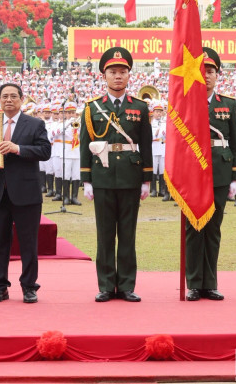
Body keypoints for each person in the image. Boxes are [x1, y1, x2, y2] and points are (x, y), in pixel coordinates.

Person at [79, 46, 152, 303]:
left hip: (131, 176)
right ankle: (106, 286)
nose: (118, 76)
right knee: (105, 235)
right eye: (113, 72)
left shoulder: (140, 108)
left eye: (122, 71)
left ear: (129, 75)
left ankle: (127, 285)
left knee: (128, 235)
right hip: (103, 176)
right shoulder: (92, 108)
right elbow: (85, 144)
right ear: (104, 75)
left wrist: (146, 179)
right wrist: (87, 180)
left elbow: (146, 145)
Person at [0, 83, 50, 303]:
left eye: (13, 96)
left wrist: (18, 149)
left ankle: (29, 287)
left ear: (21, 99)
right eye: (4, 96)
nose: (9, 100)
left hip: (26, 193)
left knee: (28, 243)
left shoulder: (35, 124)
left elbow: (45, 151)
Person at [185, 47, 236, 301]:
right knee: (193, 228)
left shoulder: (228, 104)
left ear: (217, 75)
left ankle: (210, 283)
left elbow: (235, 143)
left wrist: (234, 177)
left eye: (211, 71)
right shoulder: (185, 102)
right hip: (192, 173)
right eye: (202, 71)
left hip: (219, 170)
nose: (206, 75)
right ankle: (194, 283)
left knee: (213, 228)